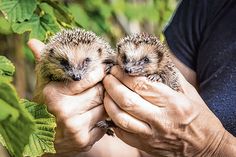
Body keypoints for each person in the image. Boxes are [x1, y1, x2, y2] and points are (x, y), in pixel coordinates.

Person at [28, 0, 236, 156]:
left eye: (84, 63)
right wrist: (53, 137)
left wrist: (213, 147)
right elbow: (138, 149)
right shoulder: (210, 5)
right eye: (125, 59)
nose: (129, 68)